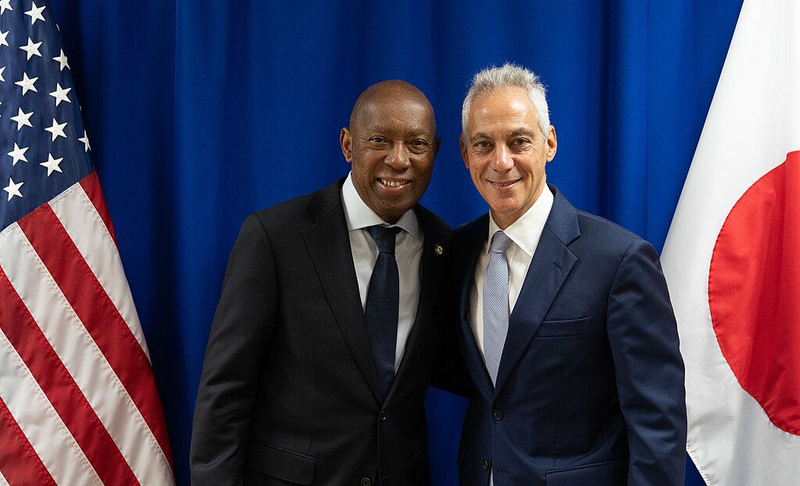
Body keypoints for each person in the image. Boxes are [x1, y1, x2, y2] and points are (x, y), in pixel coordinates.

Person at [191, 80, 455, 485]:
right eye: (379, 140)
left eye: (416, 144)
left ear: (434, 151)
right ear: (348, 145)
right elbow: (225, 392)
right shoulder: (274, 238)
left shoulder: (444, 247)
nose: (399, 159)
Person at [454, 63, 686, 485]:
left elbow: (658, 429)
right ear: (466, 153)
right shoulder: (458, 251)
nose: (501, 162)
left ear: (549, 143)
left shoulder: (620, 261)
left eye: (519, 141)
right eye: (484, 144)